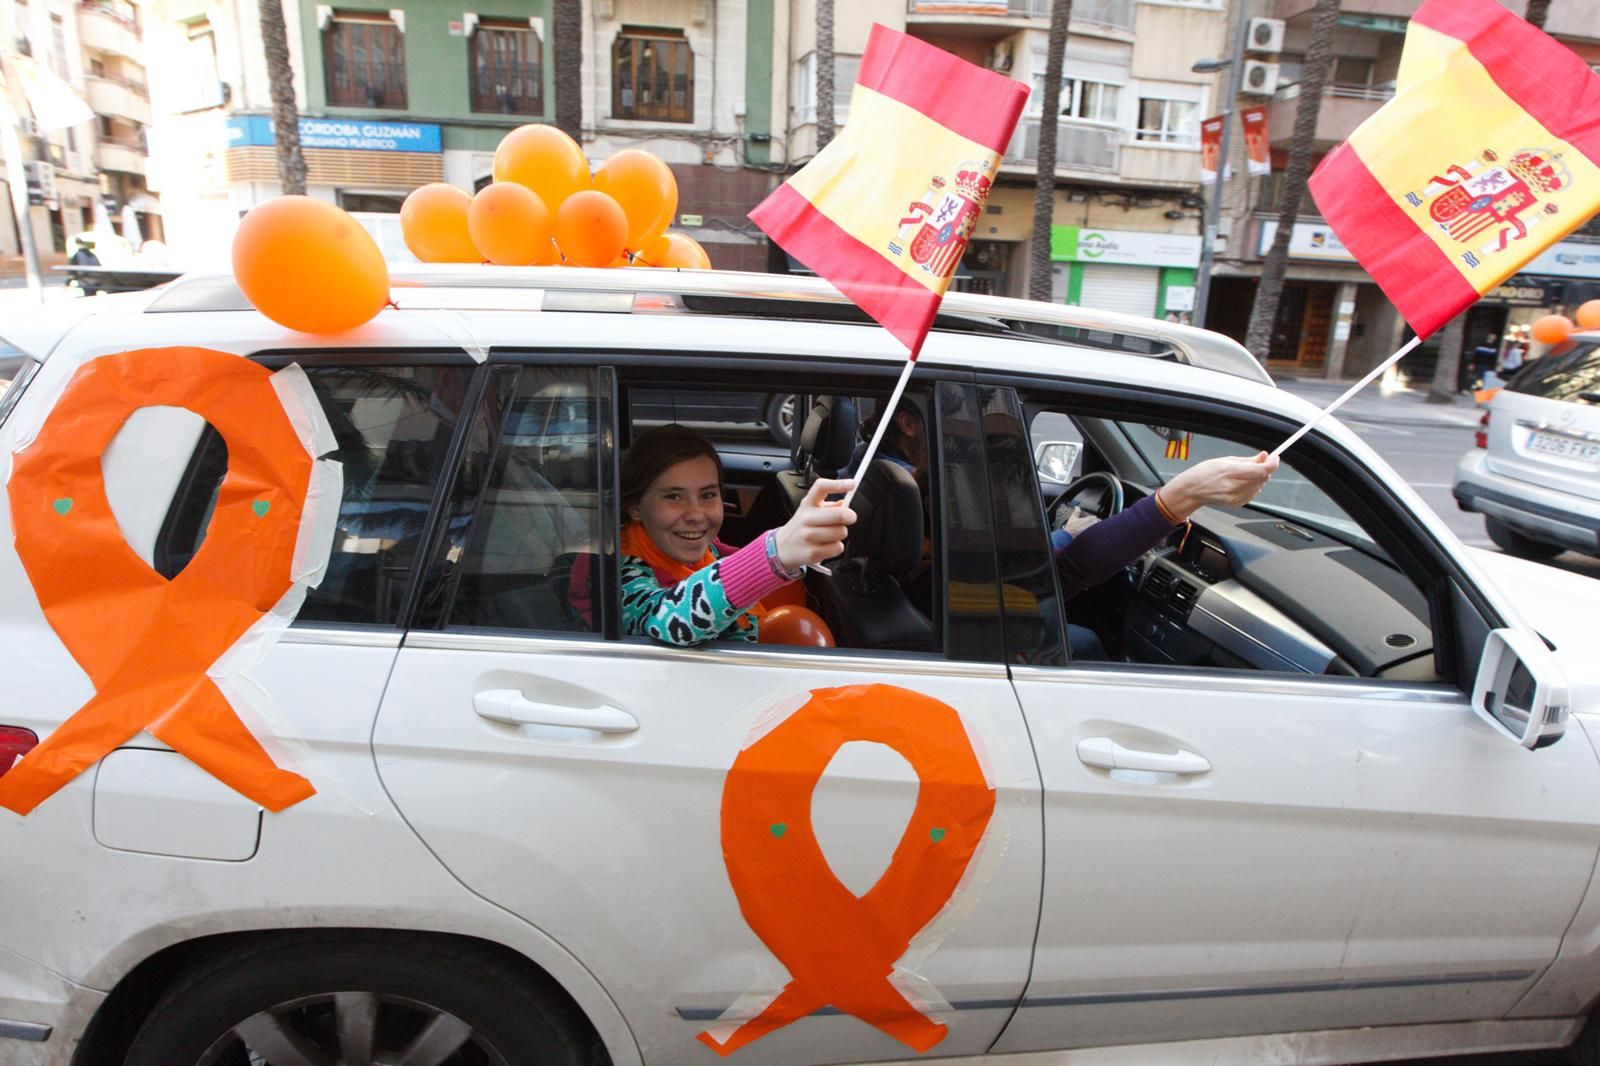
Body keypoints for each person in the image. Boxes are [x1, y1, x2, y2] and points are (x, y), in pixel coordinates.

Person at [620, 424, 854, 645]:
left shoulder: (701, 552)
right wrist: (773, 554)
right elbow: (664, 621)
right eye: (673, 496)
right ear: (636, 507)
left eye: (708, 495)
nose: (696, 515)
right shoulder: (619, 571)